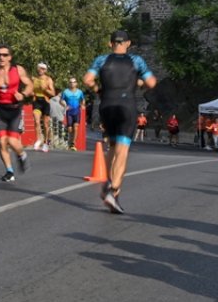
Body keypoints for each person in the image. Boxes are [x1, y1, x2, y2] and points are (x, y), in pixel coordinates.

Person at [83, 30, 157, 214]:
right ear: (128, 43)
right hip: (126, 106)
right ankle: (113, 189)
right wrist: (139, 84)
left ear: (110, 44)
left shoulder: (101, 60)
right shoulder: (136, 61)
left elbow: (87, 80)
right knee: (123, 150)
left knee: (112, 147)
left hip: (106, 105)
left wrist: (98, 89)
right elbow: (152, 83)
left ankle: (109, 182)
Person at [0, 44, 34, 182]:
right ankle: (9, 171)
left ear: (10, 57)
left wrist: (23, 94)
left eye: (4, 55)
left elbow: (30, 84)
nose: (1, 57)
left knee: (12, 141)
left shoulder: (17, 69)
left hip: (15, 109)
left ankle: (22, 155)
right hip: (1, 110)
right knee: (2, 142)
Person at [32, 62, 56, 152]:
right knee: (36, 121)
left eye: (43, 69)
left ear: (45, 70)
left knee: (45, 125)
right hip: (37, 102)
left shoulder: (48, 79)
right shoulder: (35, 79)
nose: (41, 70)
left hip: (45, 102)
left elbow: (53, 93)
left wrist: (45, 89)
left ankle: (46, 142)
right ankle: (38, 139)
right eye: (39, 68)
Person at [59, 78, 85, 151]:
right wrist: (65, 105)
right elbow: (61, 100)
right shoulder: (65, 92)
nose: (72, 84)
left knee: (76, 127)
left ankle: (73, 143)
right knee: (70, 129)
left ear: (76, 83)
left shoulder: (80, 92)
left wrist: (82, 104)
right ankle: (70, 141)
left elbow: (83, 99)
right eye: (71, 82)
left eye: (74, 82)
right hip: (69, 112)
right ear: (69, 83)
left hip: (77, 111)